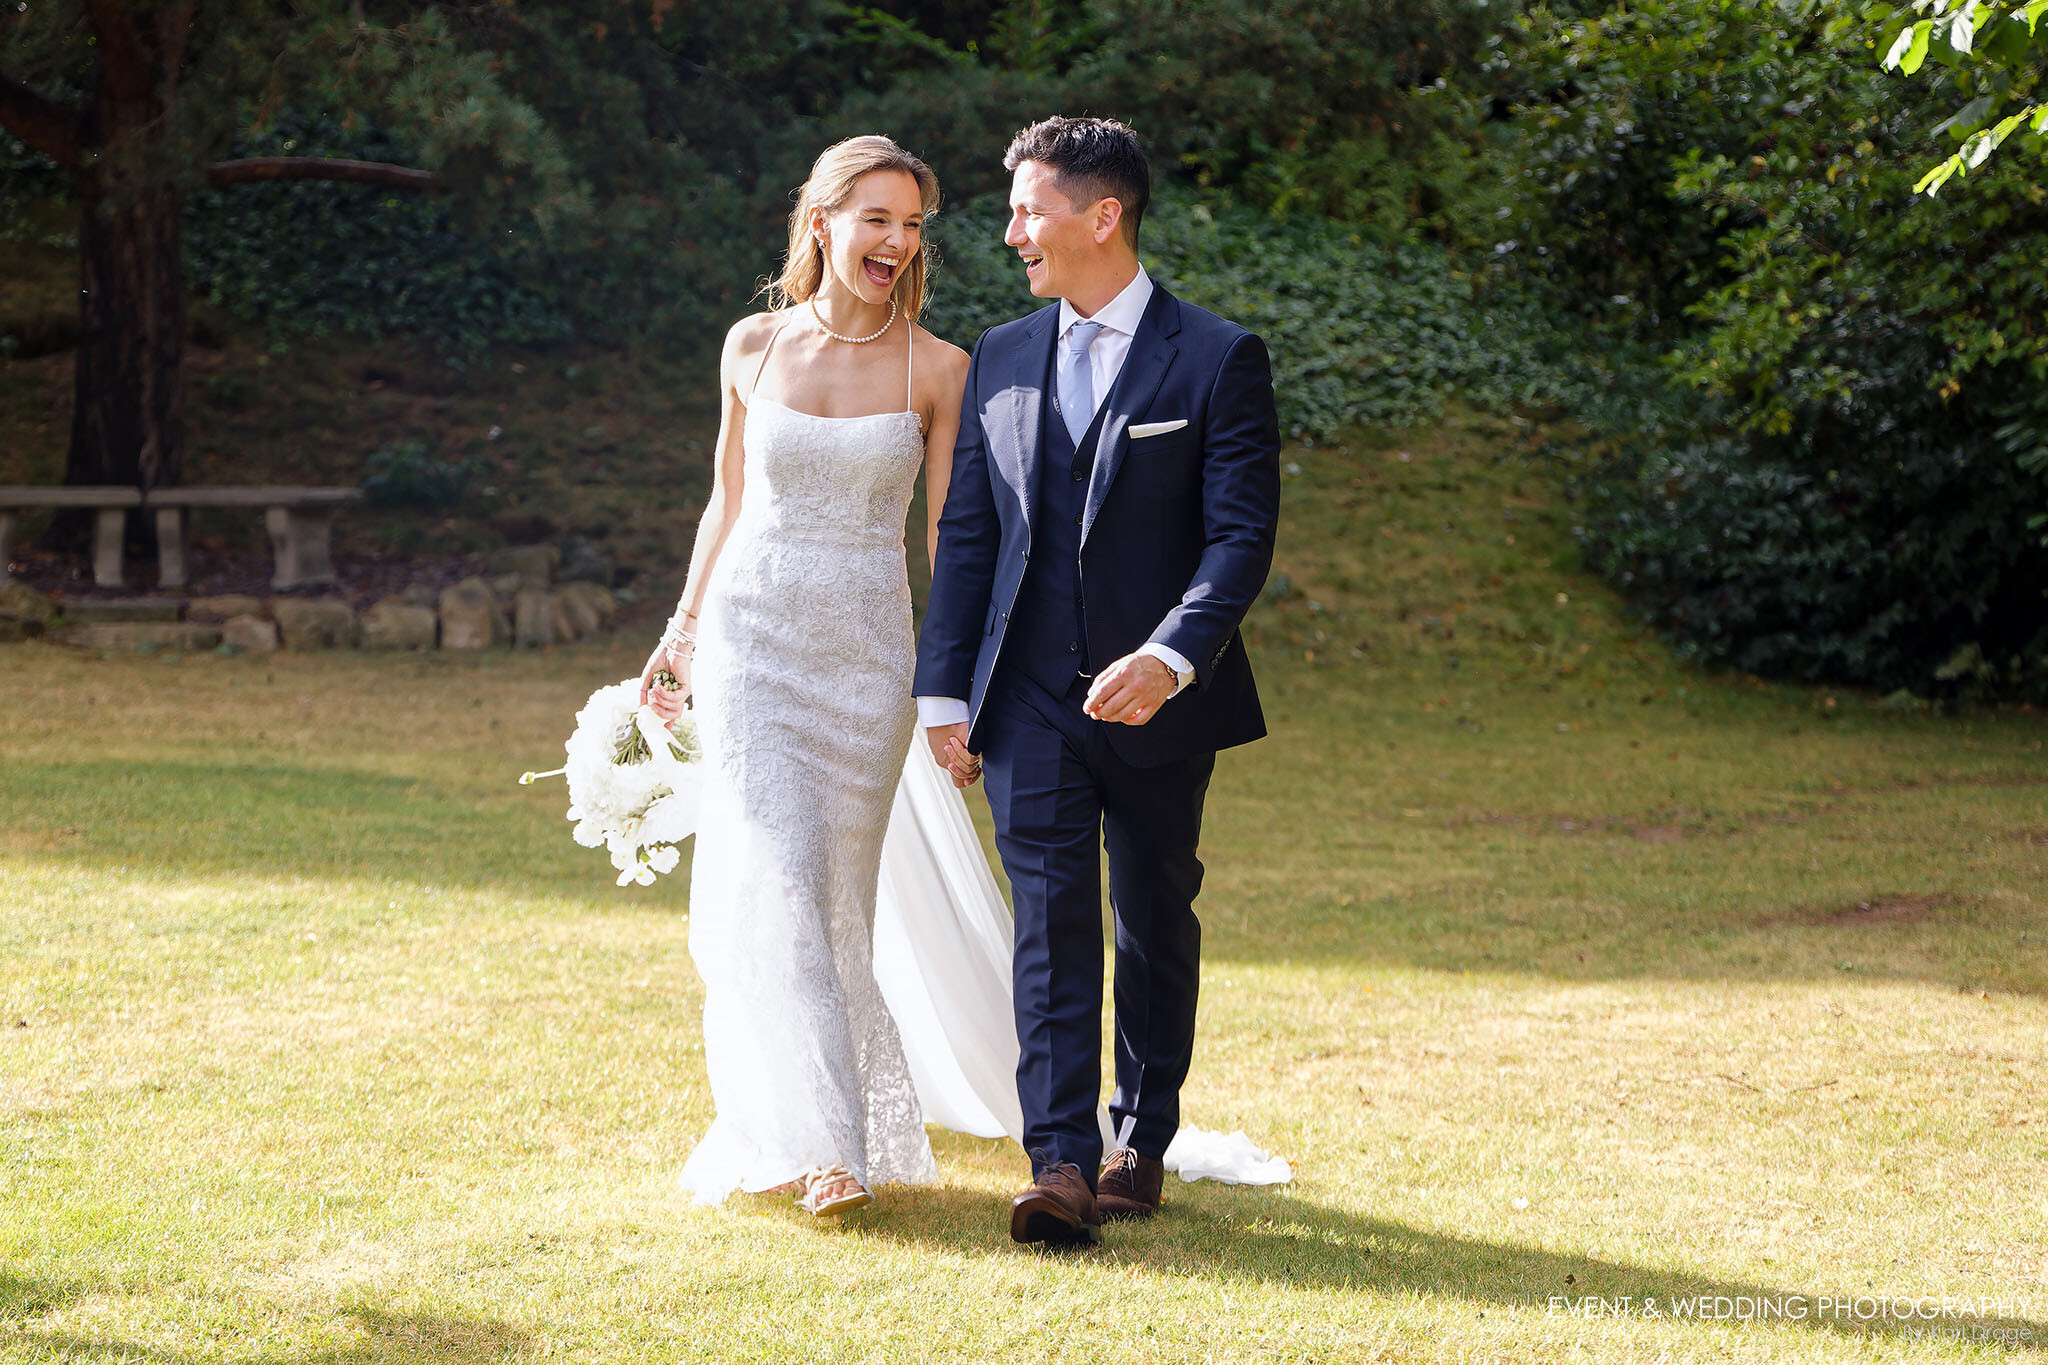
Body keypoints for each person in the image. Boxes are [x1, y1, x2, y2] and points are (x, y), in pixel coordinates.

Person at [914, 116, 1282, 1246]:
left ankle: (1139, 1138)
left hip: (1159, 702)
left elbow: (1238, 537)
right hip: (1024, 695)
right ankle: (1060, 1161)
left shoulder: (1216, 356)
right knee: (1050, 918)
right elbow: (969, 534)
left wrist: (1171, 656)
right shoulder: (1003, 353)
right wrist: (943, 692)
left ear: (1101, 216)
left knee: (1151, 915)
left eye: (1029, 209)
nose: (1014, 231)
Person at [640, 134, 971, 1218]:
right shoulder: (751, 345)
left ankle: (822, 1125)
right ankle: (823, 1148)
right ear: (821, 221)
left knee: (836, 901)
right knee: (773, 884)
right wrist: (680, 631)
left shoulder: (938, 368)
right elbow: (724, 504)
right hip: (753, 648)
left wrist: (948, 687)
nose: (897, 242)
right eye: (877, 218)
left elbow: (943, 542)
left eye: (912, 224)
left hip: (867, 659)